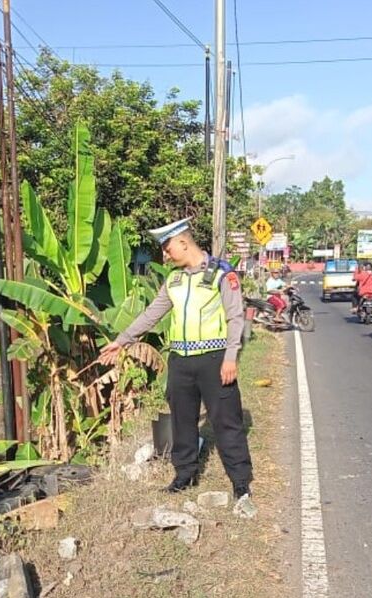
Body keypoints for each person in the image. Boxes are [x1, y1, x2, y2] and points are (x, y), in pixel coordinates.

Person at [99, 217, 256, 517]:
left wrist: (231, 357)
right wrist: (122, 340)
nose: (166, 256)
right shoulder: (173, 280)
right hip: (181, 361)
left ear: (184, 243)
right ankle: (185, 475)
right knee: (183, 420)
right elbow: (151, 314)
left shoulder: (222, 274)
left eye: (169, 249)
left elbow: (236, 317)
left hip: (214, 360)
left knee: (226, 422)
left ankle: (240, 483)